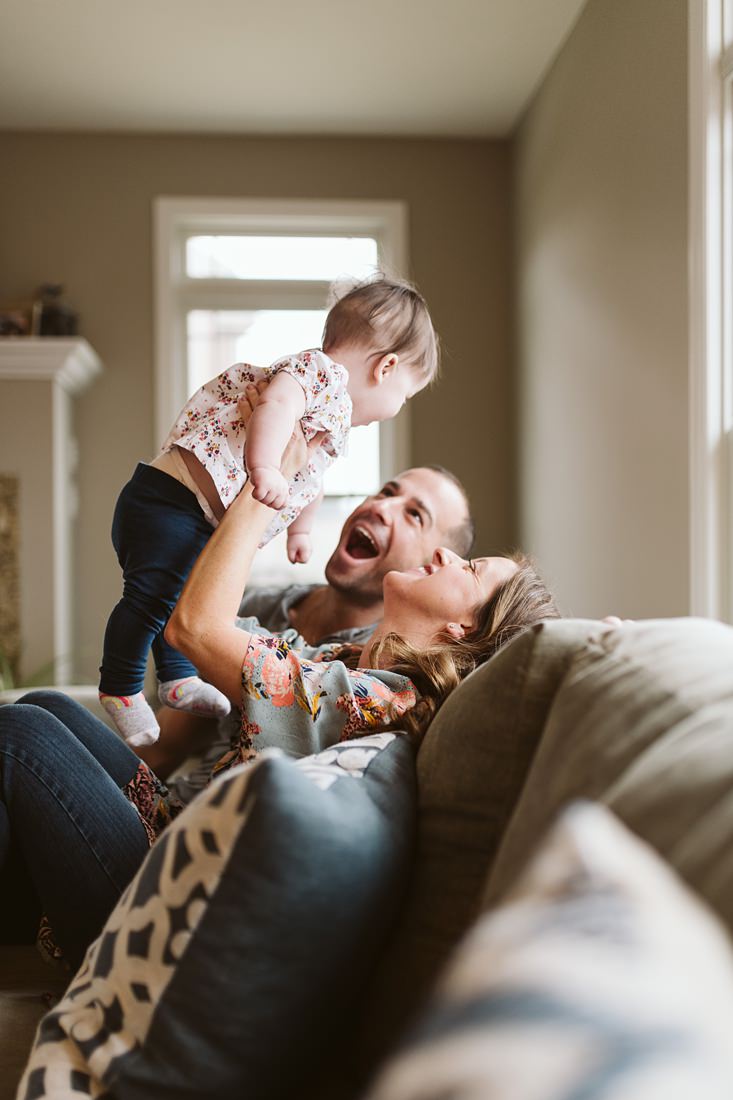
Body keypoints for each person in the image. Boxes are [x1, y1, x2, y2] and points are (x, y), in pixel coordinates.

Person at [0, 429, 558, 970]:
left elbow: (195, 629)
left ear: (465, 629)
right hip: (168, 834)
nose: (446, 557)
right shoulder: (346, 663)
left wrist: (269, 485)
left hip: (163, 908)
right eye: (389, 491)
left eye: (470, 568)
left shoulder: (379, 700)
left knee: (24, 736)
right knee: (48, 707)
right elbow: (193, 618)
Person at [98, 276, 439, 748]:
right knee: (152, 598)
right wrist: (264, 468)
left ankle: (176, 679)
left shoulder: (332, 416)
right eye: (404, 397)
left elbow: (309, 478)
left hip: (190, 515)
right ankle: (119, 684)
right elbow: (275, 407)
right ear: (386, 367)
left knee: (175, 593)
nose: (395, 409)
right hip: (169, 502)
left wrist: (299, 530)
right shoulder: (319, 374)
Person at [143, 459, 476, 782]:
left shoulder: (370, 673)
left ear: (432, 564)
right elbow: (165, 747)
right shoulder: (263, 604)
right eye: (387, 492)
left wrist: (270, 477)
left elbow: (195, 627)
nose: (381, 507)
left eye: (414, 515)